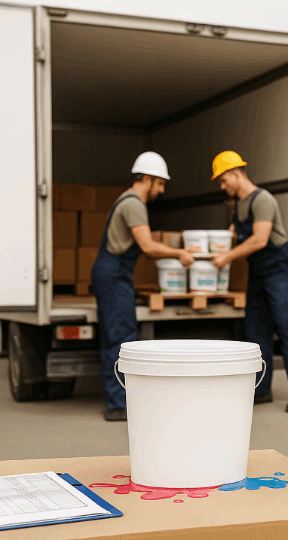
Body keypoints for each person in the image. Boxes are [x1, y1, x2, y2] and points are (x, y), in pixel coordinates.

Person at [91, 151, 194, 422]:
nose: (161, 190)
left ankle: (121, 400)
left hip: (114, 272)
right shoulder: (134, 203)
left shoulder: (126, 200)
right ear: (147, 178)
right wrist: (179, 254)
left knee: (120, 334)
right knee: (120, 337)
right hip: (113, 274)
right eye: (160, 184)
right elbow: (148, 246)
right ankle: (117, 405)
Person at [210, 151, 288, 413]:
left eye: (223, 181)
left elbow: (259, 240)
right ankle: (262, 389)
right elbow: (233, 236)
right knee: (256, 332)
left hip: (278, 268)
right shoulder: (239, 205)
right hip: (257, 271)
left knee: (286, 326)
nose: (222, 187)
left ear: (236, 174)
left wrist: (226, 257)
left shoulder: (262, 199)